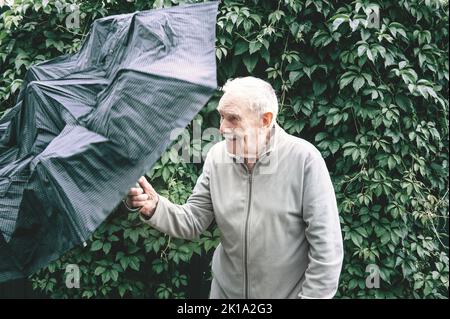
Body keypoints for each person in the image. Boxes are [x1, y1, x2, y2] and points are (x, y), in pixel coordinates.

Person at [123, 76, 344, 299]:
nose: (222, 128)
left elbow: (327, 250)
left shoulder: (304, 160)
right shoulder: (217, 157)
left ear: (265, 120)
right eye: (221, 116)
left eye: (233, 119)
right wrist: (154, 207)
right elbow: (193, 220)